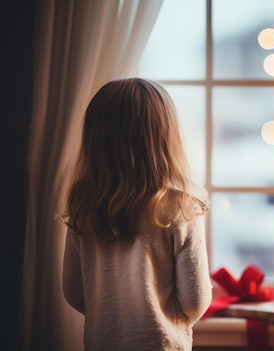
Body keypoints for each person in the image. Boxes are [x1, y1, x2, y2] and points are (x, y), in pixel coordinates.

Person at [60, 78, 212, 350]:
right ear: (166, 137)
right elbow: (194, 300)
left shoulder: (84, 206)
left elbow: (73, 292)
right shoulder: (181, 206)